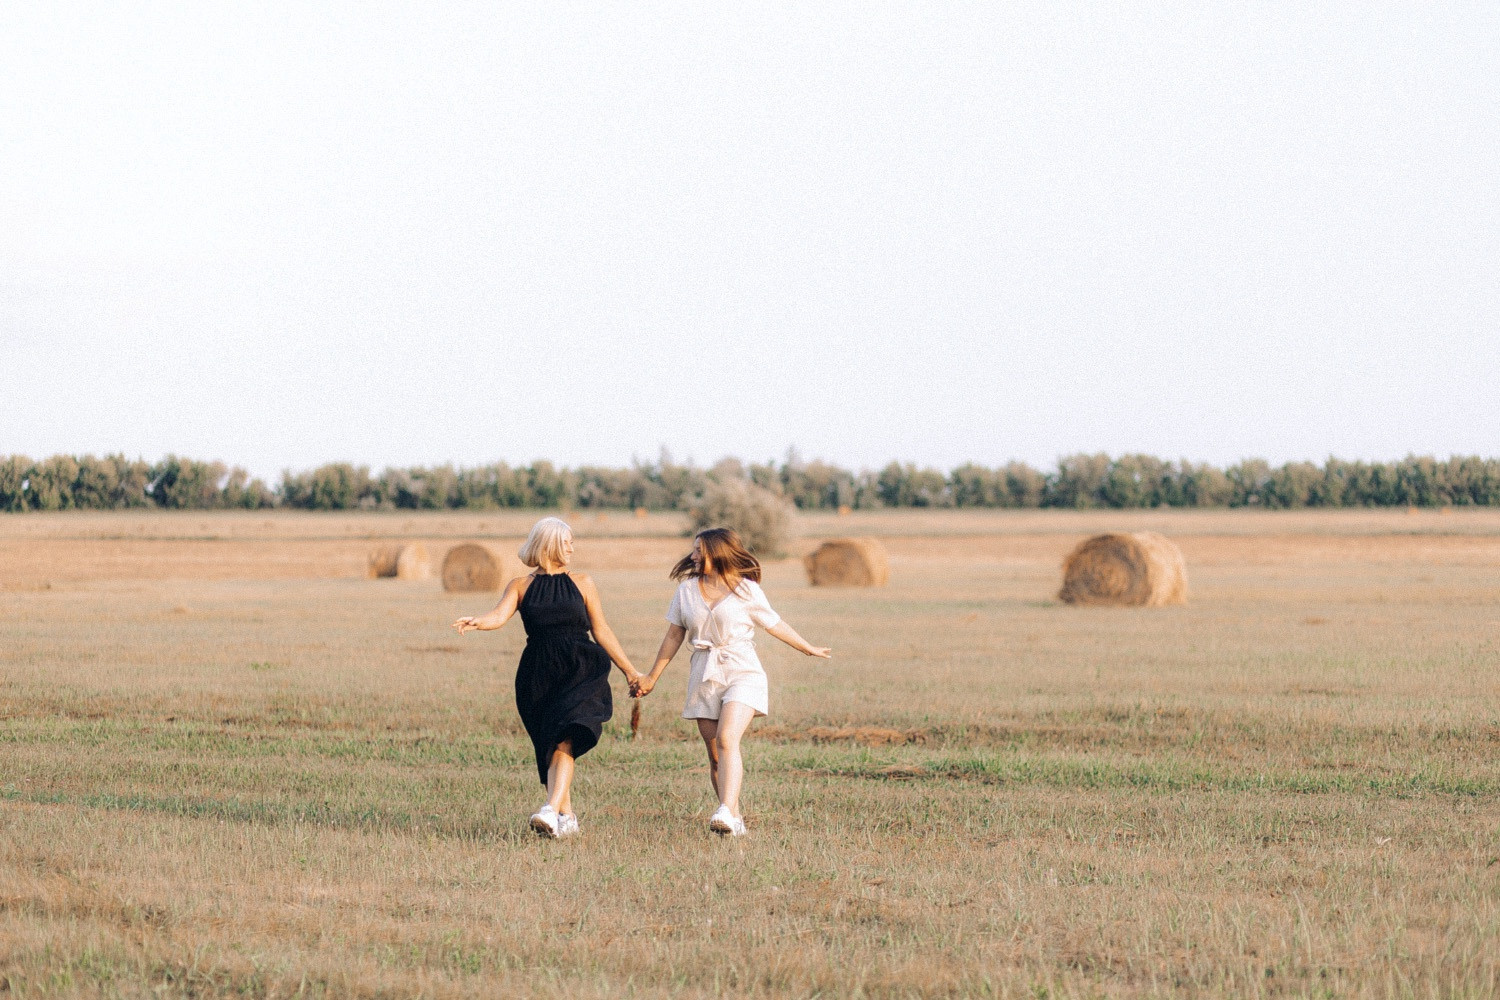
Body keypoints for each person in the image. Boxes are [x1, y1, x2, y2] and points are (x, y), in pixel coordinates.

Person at [453, 517, 643, 838]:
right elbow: (498, 616)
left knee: (567, 736)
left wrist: (629, 671)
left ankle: (549, 810)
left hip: (581, 668)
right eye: (567, 541)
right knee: (550, 745)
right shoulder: (520, 586)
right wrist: (477, 621)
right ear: (551, 544)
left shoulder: (583, 582)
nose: (572, 547)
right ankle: (566, 818)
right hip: (537, 675)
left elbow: (601, 629)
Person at [633, 527, 830, 836]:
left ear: (718, 553)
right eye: (694, 550)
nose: (693, 556)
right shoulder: (686, 591)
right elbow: (674, 635)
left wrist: (807, 647)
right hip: (703, 673)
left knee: (727, 738)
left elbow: (773, 623)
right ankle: (733, 817)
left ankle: (724, 810)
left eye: (700, 551)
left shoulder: (746, 590)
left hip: (742, 669)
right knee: (714, 756)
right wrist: (652, 677)